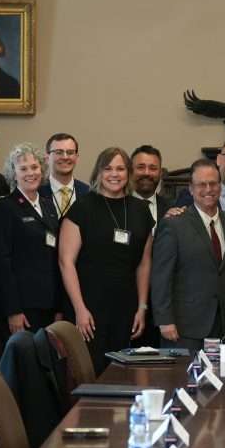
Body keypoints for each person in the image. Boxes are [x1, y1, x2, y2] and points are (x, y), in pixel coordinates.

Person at [58, 147, 154, 374]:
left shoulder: (141, 210)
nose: (114, 174)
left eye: (120, 169)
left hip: (126, 308)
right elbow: (66, 262)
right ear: (98, 172)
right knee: (89, 371)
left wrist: (142, 307)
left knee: (122, 373)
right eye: (108, 168)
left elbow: (144, 264)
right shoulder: (82, 208)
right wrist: (80, 308)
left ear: (128, 173)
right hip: (89, 308)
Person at [152, 159, 225, 353]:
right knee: (184, 374)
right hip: (184, 328)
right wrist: (164, 320)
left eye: (213, 183)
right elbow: (161, 276)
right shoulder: (174, 224)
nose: (208, 189)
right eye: (201, 184)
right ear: (191, 189)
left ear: (220, 186)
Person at [0, 143, 62, 339]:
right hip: (22, 308)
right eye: (23, 169)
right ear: (14, 174)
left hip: (49, 304)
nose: (31, 173)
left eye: (34, 167)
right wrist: (13, 310)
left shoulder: (49, 206)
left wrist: (59, 306)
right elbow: (2, 263)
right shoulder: (4, 208)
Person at [38, 133, 89, 218]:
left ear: (77, 157)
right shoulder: (36, 191)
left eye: (70, 152)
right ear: (47, 158)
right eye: (59, 152)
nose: (65, 157)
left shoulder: (88, 193)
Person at [131, 145, 171, 223]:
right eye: (141, 167)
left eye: (153, 168)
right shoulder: (119, 206)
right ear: (130, 171)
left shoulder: (171, 208)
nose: (146, 173)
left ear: (160, 173)